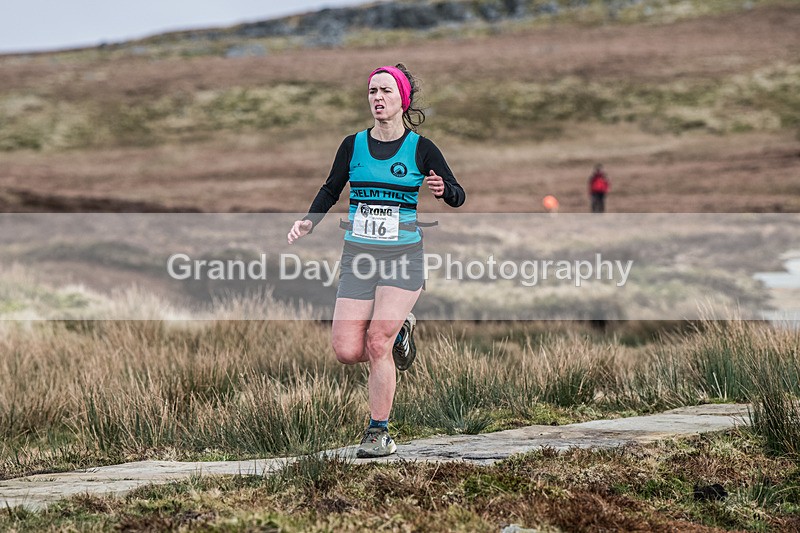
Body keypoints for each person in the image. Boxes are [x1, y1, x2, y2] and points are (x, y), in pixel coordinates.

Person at [287, 63, 465, 458]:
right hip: (358, 258)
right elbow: (331, 188)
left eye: (386, 90)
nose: (378, 98)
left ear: (403, 99)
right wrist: (308, 221)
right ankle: (402, 331)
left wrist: (442, 188)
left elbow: (457, 193)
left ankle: (378, 432)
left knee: (376, 341)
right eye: (372, 91)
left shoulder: (421, 149)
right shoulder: (353, 145)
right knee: (348, 350)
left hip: (403, 258)